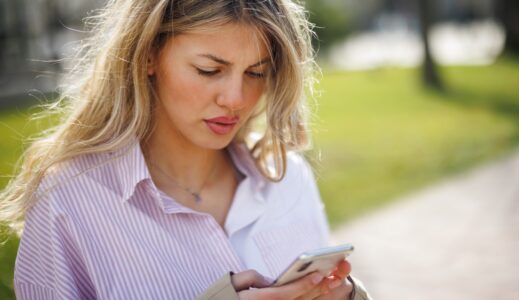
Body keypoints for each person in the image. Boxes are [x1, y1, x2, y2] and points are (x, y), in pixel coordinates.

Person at [1, 0, 372, 299]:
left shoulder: (288, 177)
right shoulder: (69, 201)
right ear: (148, 56)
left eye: (256, 73)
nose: (235, 99)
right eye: (209, 70)